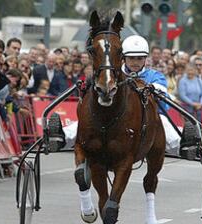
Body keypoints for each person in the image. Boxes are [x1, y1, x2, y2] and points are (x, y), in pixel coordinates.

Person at [48, 35, 185, 155]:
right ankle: (61, 137)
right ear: (123, 58)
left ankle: (182, 145)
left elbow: (162, 92)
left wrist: (152, 88)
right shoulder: (115, 75)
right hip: (118, 117)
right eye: (131, 58)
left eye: (139, 58)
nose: (135, 62)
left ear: (145, 58)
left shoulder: (155, 76)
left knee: (164, 123)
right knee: (88, 121)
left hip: (147, 118)